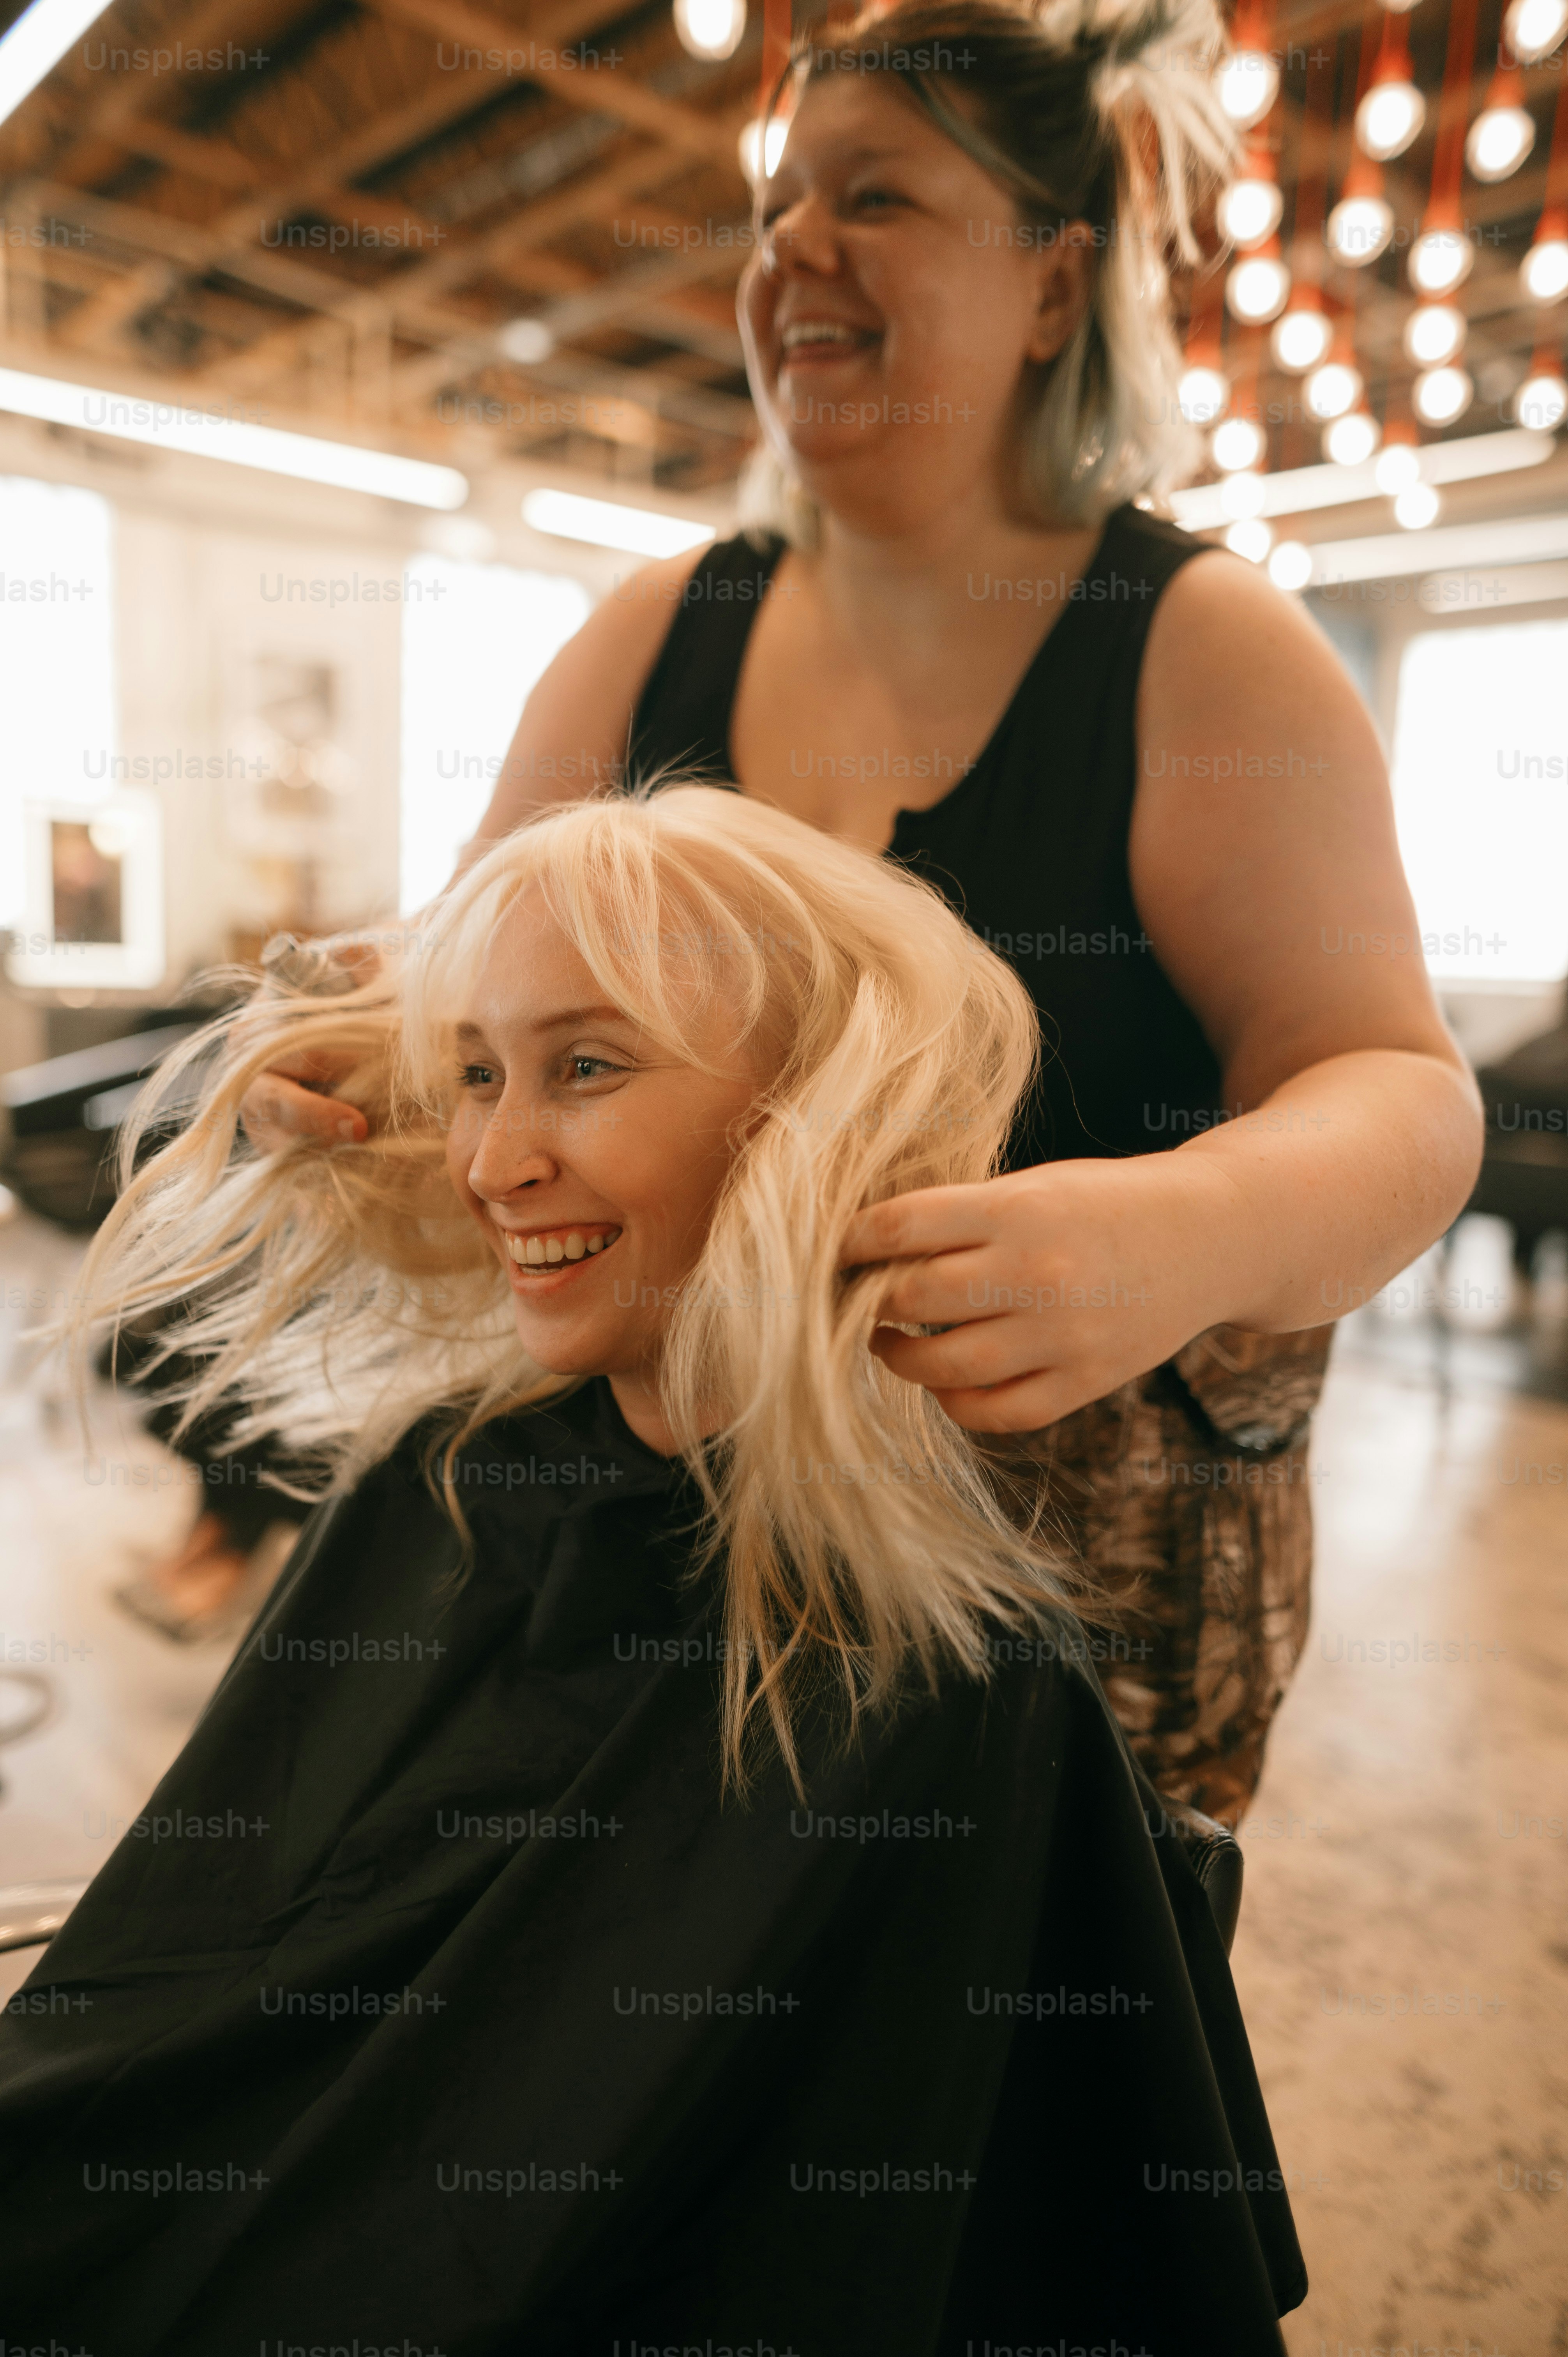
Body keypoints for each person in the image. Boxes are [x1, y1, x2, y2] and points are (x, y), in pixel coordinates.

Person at [239, 0, 1483, 1823]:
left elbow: (1399, 1092)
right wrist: (374, 1046)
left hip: (1067, 1637)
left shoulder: (1207, 656)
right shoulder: (650, 632)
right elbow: (468, 978)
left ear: (1054, 290)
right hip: (681, 1590)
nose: (792, 251)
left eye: (876, 198)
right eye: (773, 208)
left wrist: (1185, 1235)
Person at [2, 786, 1303, 2353]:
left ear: (810, 1115)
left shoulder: (953, 1690)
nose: (487, 1158)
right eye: (475, 1072)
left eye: (587, 1068)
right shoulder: (446, 1483)